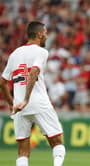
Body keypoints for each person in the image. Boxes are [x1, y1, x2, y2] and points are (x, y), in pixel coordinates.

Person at [0, 21, 65, 166]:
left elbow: (3, 82)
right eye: (46, 33)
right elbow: (34, 71)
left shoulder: (14, 54)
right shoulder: (41, 52)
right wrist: (26, 99)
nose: (47, 36)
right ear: (39, 35)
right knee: (57, 143)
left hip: (19, 108)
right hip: (38, 102)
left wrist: (12, 105)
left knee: (23, 151)